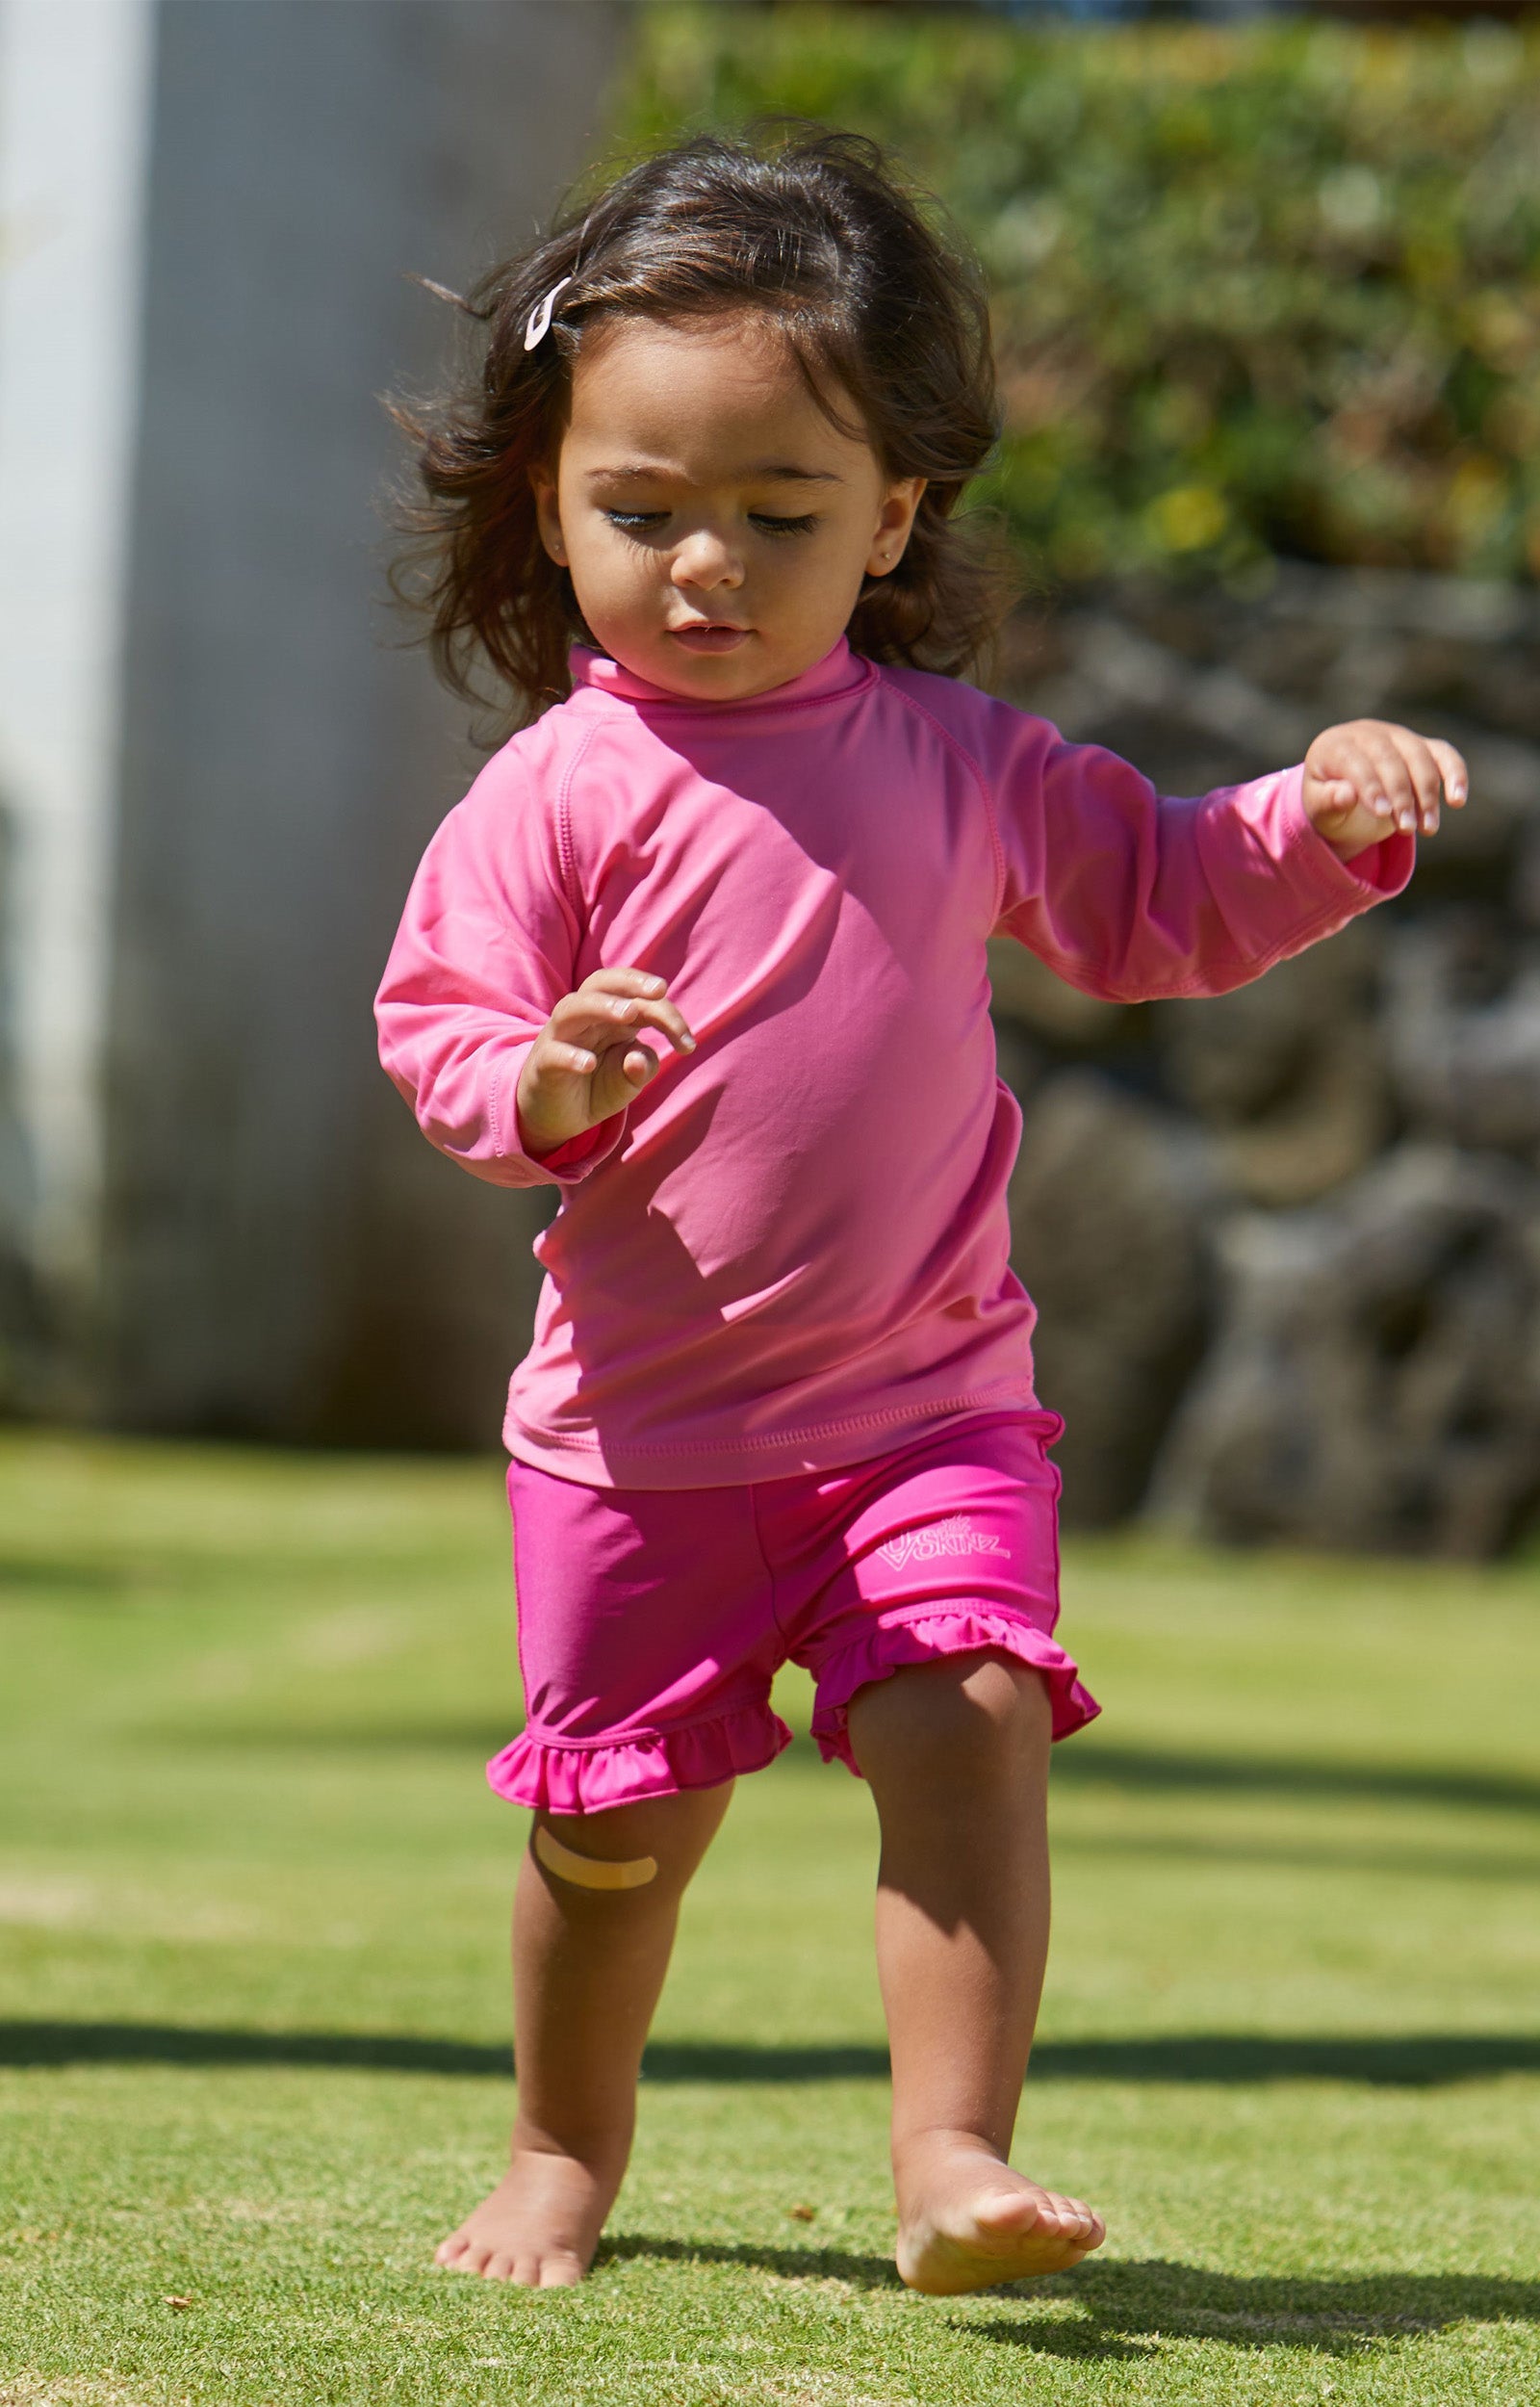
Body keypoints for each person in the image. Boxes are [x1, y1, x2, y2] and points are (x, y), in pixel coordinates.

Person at [374, 128, 1466, 2296]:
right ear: (545, 499)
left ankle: (951, 2154)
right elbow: (442, 1035)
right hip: (637, 1443)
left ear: (892, 518)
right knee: (608, 1836)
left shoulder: (958, 759)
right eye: (641, 510)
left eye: (778, 515)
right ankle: (555, 2152)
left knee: (963, 1713)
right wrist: (547, 1081)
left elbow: (1159, 891)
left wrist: (1313, 816)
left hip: (925, 1408)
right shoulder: (548, 795)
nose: (707, 562)